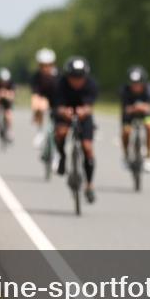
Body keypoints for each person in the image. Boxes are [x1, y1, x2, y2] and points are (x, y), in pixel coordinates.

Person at [52, 56, 98, 203]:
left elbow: (90, 106)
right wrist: (63, 112)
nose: (77, 81)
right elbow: (56, 106)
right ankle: (62, 156)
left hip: (83, 117)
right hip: (64, 114)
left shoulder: (91, 84)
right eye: (73, 77)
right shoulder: (60, 84)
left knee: (87, 147)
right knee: (60, 133)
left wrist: (84, 111)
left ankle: (89, 184)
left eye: (80, 77)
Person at [120, 65, 150, 172]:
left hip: (146, 114)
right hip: (129, 115)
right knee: (126, 132)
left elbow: (149, 107)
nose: (135, 86)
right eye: (133, 83)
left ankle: (149, 157)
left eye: (138, 83)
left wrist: (138, 107)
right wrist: (138, 107)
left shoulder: (149, 89)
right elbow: (126, 109)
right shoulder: (124, 90)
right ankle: (126, 155)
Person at [30, 48, 58, 149]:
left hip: (57, 100)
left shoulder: (58, 75)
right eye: (42, 65)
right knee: (37, 102)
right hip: (44, 100)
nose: (45, 68)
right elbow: (35, 92)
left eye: (48, 65)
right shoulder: (37, 76)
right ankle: (40, 131)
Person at [0, 68, 16, 141]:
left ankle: (9, 130)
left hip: (7, 101)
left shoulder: (11, 84)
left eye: (5, 81)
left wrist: (6, 94)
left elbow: (13, 95)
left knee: (8, 115)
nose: (3, 83)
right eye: (2, 81)